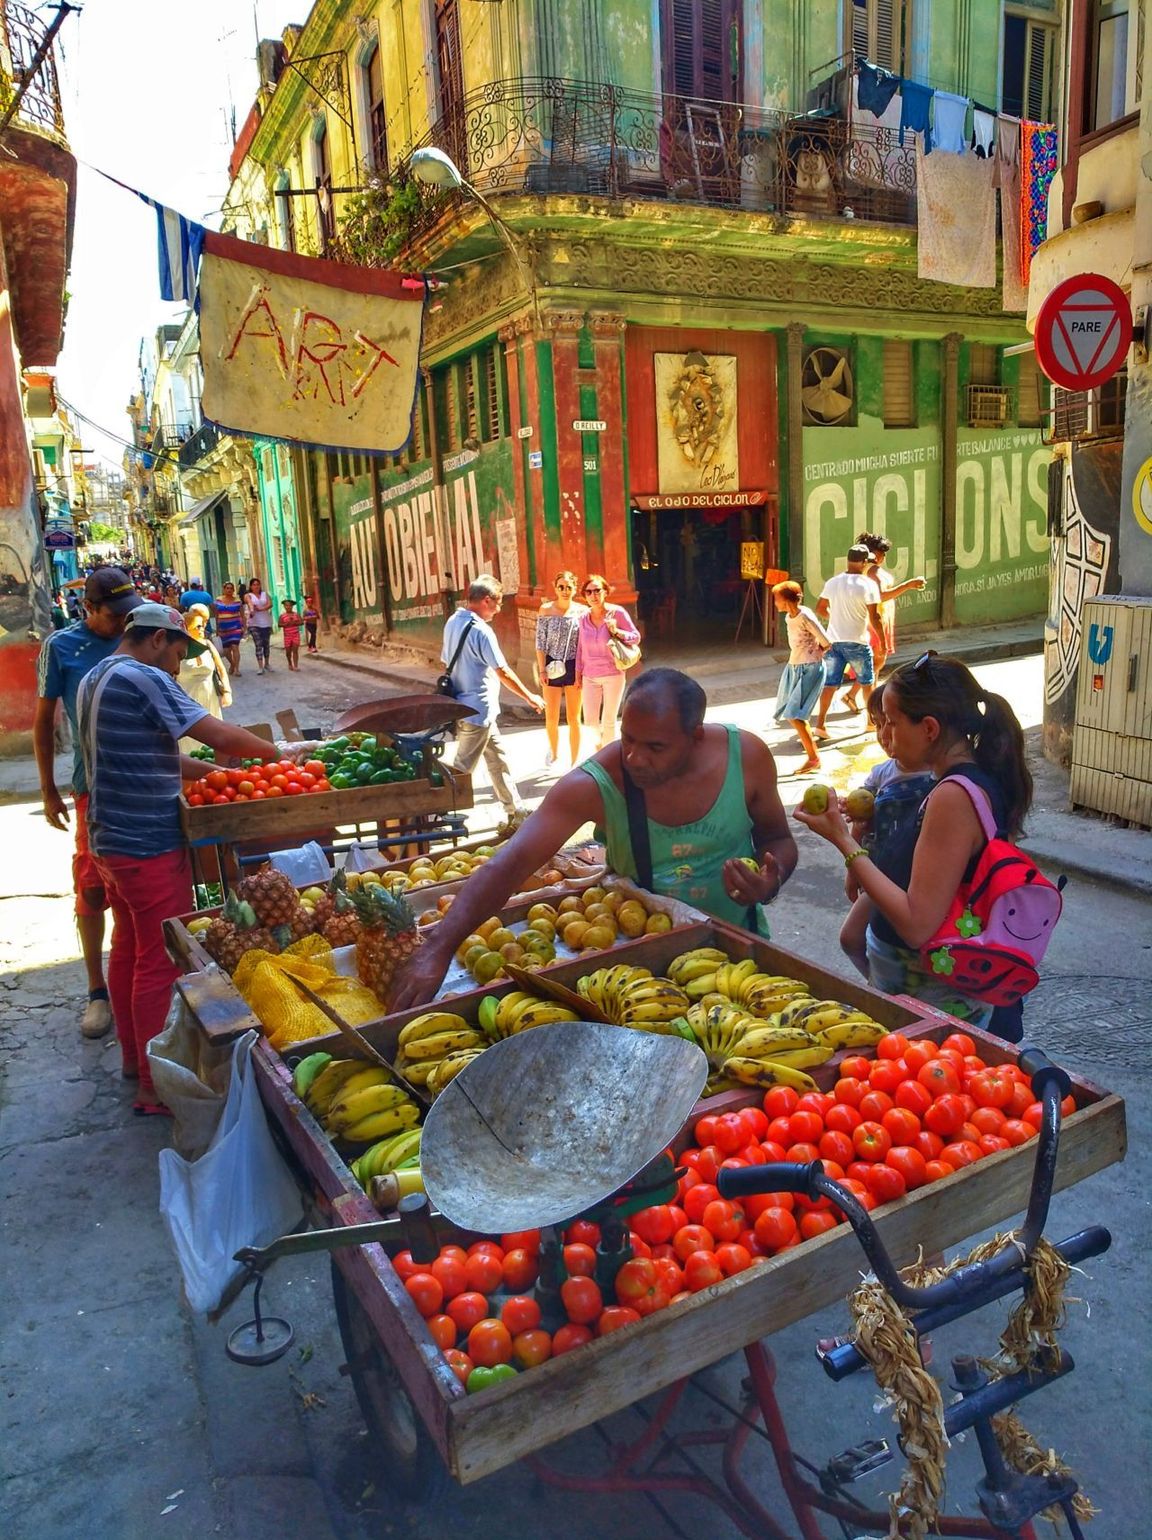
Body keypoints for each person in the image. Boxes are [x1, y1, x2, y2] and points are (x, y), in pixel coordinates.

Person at [392, 668, 798, 1010]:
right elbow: (510, 864)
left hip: (738, 955)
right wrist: (437, 948)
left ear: (696, 736)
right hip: (641, 970)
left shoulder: (746, 757)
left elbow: (778, 839)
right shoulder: (596, 784)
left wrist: (770, 879)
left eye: (655, 746)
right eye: (629, 739)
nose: (635, 757)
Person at [77, 604, 281, 1115]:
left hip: (109, 841)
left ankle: (133, 1061)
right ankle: (156, 1087)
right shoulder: (143, 677)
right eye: (176, 652)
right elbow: (218, 732)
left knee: (128, 948)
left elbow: (153, 755)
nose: (178, 664)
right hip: (145, 843)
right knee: (159, 961)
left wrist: (209, 772)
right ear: (155, 640)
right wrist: (278, 755)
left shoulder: (95, 677)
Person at [795, 651, 1032, 1033]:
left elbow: (917, 924)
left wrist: (842, 840)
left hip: (938, 1010)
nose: (886, 733)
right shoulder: (954, 782)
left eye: (892, 722)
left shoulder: (954, 796)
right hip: (920, 995)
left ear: (930, 729)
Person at [34, 568, 144, 1039]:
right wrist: (47, 788)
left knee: (142, 880)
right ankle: (97, 991)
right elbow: (44, 722)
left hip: (144, 780)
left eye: (127, 613)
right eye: (113, 615)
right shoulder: (62, 648)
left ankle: (139, 974)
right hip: (93, 787)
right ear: (89, 610)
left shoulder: (142, 633)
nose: (123, 622)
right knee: (93, 886)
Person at [838, 684, 935, 977]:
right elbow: (862, 825)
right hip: (881, 876)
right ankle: (875, 982)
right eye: (878, 724)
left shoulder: (941, 777)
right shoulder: (881, 774)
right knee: (850, 937)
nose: (883, 734)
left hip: (921, 881)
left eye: (890, 724)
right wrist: (853, 872)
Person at [441, 575, 544, 817]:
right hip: (477, 710)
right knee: (462, 769)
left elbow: (446, 662)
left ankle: (514, 809)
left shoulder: (453, 621)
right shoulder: (481, 631)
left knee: (498, 760)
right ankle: (442, 814)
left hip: (466, 707)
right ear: (487, 600)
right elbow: (503, 671)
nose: (498, 610)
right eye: (498, 604)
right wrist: (530, 696)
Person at [841, 532, 927, 711]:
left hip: (881, 617)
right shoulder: (870, 571)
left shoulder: (872, 570)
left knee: (874, 663)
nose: (883, 556)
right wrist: (908, 585)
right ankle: (870, 704)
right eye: (881, 552)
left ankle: (854, 696)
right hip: (874, 619)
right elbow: (879, 596)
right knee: (875, 663)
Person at [812, 545, 883, 739]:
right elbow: (875, 617)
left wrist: (834, 617)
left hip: (834, 641)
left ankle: (820, 725)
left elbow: (820, 608)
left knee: (830, 684)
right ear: (862, 562)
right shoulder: (868, 584)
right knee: (867, 683)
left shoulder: (833, 582)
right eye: (867, 561)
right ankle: (870, 722)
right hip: (858, 642)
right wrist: (883, 643)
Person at [771, 580, 830, 774]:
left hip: (809, 668)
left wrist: (816, 654)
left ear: (787, 600)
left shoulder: (805, 616)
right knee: (793, 714)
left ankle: (814, 759)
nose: (775, 603)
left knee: (795, 715)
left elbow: (826, 642)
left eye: (777, 599)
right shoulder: (790, 616)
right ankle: (813, 758)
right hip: (794, 666)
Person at [576, 574, 640, 751]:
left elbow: (636, 637)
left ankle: (609, 757)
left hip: (613, 674)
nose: (593, 595)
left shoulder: (617, 613)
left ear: (605, 592)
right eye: (588, 592)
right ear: (584, 595)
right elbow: (580, 648)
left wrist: (616, 630)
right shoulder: (582, 619)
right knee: (590, 722)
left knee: (609, 721)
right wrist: (577, 674)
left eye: (597, 590)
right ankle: (600, 752)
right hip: (590, 676)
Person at [535, 570, 586, 770]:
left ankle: (575, 761)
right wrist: (541, 670)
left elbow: (584, 644)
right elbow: (540, 642)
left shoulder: (582, 612)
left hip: (575, 665)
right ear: (555, 588)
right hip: (551, 665)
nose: (565, 591)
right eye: (561, 587)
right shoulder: (546, 610)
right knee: (552, 717)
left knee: (574, 717)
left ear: (574, 588)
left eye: (569, 587)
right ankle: (555, 753)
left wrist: (583, 670)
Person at [177, 604, 232, 751]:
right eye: (198, 627)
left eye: (203, 626)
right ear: (186, 628)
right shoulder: (178, 649)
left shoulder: (207, 644)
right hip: (187, 701)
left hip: (210, 698)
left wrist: (227, 692)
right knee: (189, 741)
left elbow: (220, 669)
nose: (202, 630)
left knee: (214, 736)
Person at [214, 581, 246, 675]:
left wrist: (244, 628)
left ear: (233, 590)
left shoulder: (237, 601)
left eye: (231, 588)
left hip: (235, 628)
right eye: (227, 588)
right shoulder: (218, 600)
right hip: (223, 629)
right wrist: (217, 629)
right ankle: (232, 664)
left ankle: (237, 669)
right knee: (226, 650)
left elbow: (243, 615)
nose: (229, 590)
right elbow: (217, 615)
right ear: (224, 589)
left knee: (235, 647)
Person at [244, 576, 274, 674]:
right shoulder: (248, 595)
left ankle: (267, 663)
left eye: (258, 584)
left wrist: (261, 609)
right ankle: (260, 666)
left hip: (266, 622)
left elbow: (270, 604)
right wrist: (252, 610)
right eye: (254, 585)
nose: (256, 586)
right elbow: (249, 603)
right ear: (251, 586)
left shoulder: (265, 594)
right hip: (254, 623)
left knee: (266, 644)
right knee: (258, 644)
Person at [279, 596, 302, 671]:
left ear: (292, 606)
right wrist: (286, 624)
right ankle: (289, 663)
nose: (288, 607)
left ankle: (295, 666)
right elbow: (279, 624)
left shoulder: (296, 614)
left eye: (289, 605)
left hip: (295, 634)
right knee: (288, 652)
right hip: (287, 636)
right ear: (284, 607)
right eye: (286, 605)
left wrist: (295, 622)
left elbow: (301, 622)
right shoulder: (282, 616)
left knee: (295, 650)